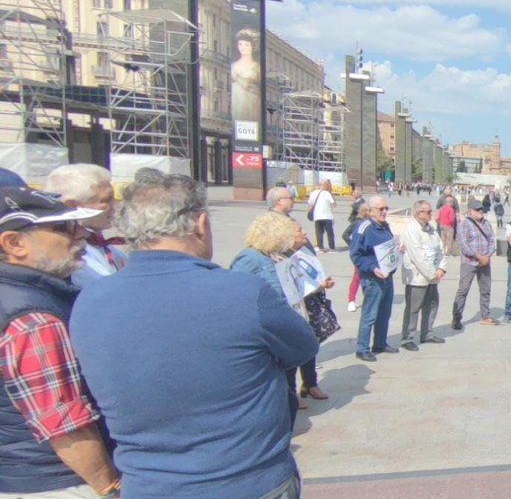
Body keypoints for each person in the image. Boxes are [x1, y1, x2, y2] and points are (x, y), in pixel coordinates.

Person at [71, 173, 316, 499]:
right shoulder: (243, 293)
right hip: (248, 482)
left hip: (148, 486)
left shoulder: (89, 300)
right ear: (201, 224)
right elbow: (302, 348)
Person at [0, 188, 120, 498]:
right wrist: (109, 487)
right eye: (61, 228)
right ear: (14, 243)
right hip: (57, 479)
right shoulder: (34, 319)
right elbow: (64, 423)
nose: (80, 234)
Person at [231, 213, 333, 421]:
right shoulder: (250, 258)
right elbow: (236, 295)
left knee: (286, 391)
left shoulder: (278, 256)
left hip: (284, 327)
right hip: (265, 333)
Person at [44, 163, 126, 287]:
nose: (116, 205)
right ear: (71, 206)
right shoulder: (64, 258)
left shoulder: (109, 249)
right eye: (106, 199)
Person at [350, 195, 402, 361]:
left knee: (384, 313)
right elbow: (356, 255)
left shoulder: (385, 226)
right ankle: (362, 348)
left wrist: (397, 251)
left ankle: (380, 343)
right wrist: (372, 268)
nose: (385, 212)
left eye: (386, 208)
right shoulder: (364, 228)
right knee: (369, 314)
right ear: (371, 210)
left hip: (387, 277)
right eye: (381, 209)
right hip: (372, 279)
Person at [398, 199, 447, 351]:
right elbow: (417, 255)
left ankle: (427, 333)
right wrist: (431, 273)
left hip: (433, 276)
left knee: (432, 305)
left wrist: (441, 268)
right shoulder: (412, 230)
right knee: (413, 308)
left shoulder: (431, 229)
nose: (431, 214)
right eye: (428, 211)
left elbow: (440, 249)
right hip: (417, 276)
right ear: (419, 213)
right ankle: (408, 337)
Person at [453, 198, 497, 329]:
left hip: (485, 262)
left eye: (481, 209)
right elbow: (464, 244)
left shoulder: (487, 223)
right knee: (463, 290)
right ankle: (456, 318)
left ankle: (485, 315)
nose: (480, 211)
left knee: (485, 289)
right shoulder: (464, 224)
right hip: (469, 262)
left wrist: (487, 256)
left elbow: (492, 241)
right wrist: (478, 256)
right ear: (470, 211)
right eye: (477, 209)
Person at [307, 179, 337, 253]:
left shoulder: (313, 193)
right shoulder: (327, 193)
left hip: (317, 216)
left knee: (319, 232)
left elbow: (310, 205)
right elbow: (333, 204)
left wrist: (311, 213)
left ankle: (320, 248)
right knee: (330, 233)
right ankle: (331, 248)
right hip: (327, 216)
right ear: (325, 186)